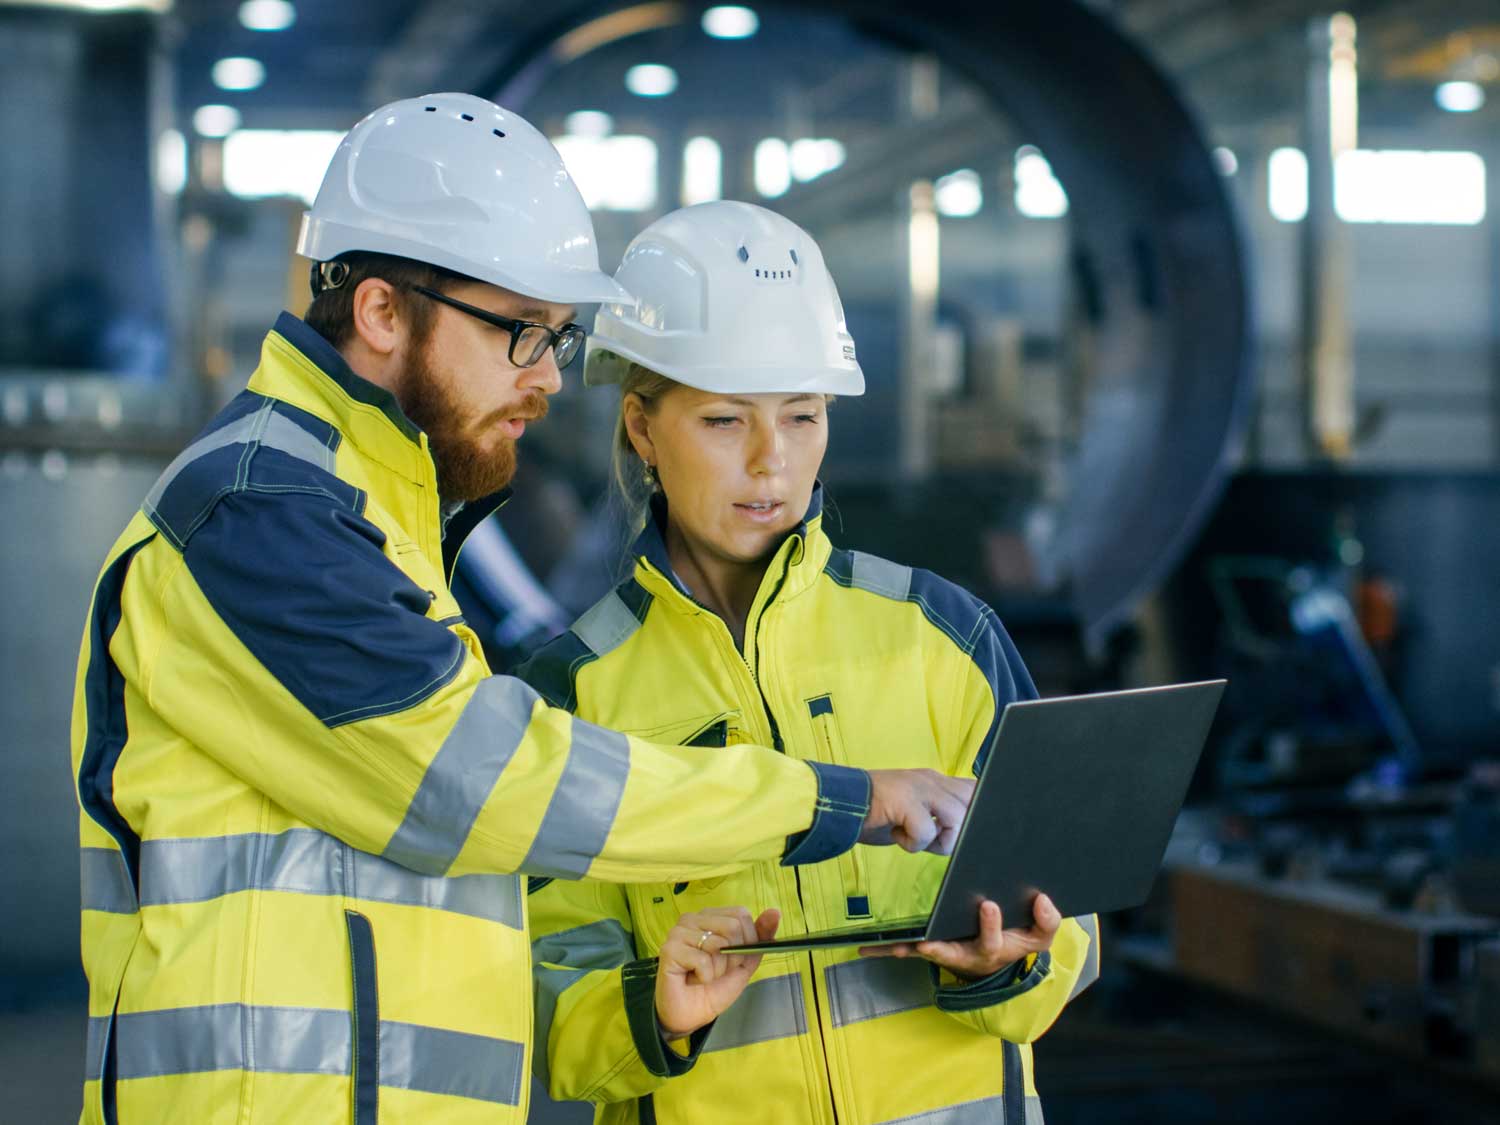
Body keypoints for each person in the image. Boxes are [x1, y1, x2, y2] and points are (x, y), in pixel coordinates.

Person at [68, 95, 976, 1125]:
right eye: (522, 333)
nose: (549, 377)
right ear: (379, 312)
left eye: (557, 336)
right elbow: (480, 782)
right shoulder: (259, 511)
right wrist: (828, 800)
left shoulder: (369, 512)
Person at [521, 201, 1101, 1125]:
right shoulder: (572, 695)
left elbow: (1072, 917)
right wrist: (655, 1012)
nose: (772, 462)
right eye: (722, 421)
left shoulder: (944, 635)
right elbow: (547, 1005)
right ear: (640, 428)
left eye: (802, 415)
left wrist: (1018, 958)